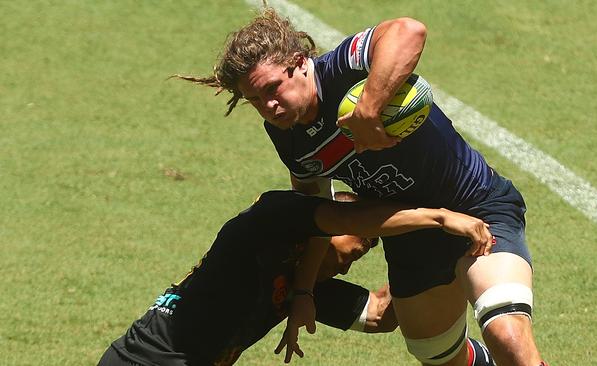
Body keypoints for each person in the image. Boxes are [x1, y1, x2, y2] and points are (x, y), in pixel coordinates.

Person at [175, 7, 547, 366]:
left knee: (508, 339)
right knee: (438, 355)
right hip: (411, 238)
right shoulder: (286, 136)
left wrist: (369, 108)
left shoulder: (342, 68)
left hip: (475, 204)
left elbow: (409, 31)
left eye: (273, 88)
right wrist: (303, 290)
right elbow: (317, 218)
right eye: (255, 100)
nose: (269, 106)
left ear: (300, 62)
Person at [97, 190, 495, 366]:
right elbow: (331, 216)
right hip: (141, 360)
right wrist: (437, 215)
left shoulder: (302, 289)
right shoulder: (260, 234)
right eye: (362, 238)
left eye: (371, 246)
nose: (359, 253)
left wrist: (437, 254)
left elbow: (381, 316)